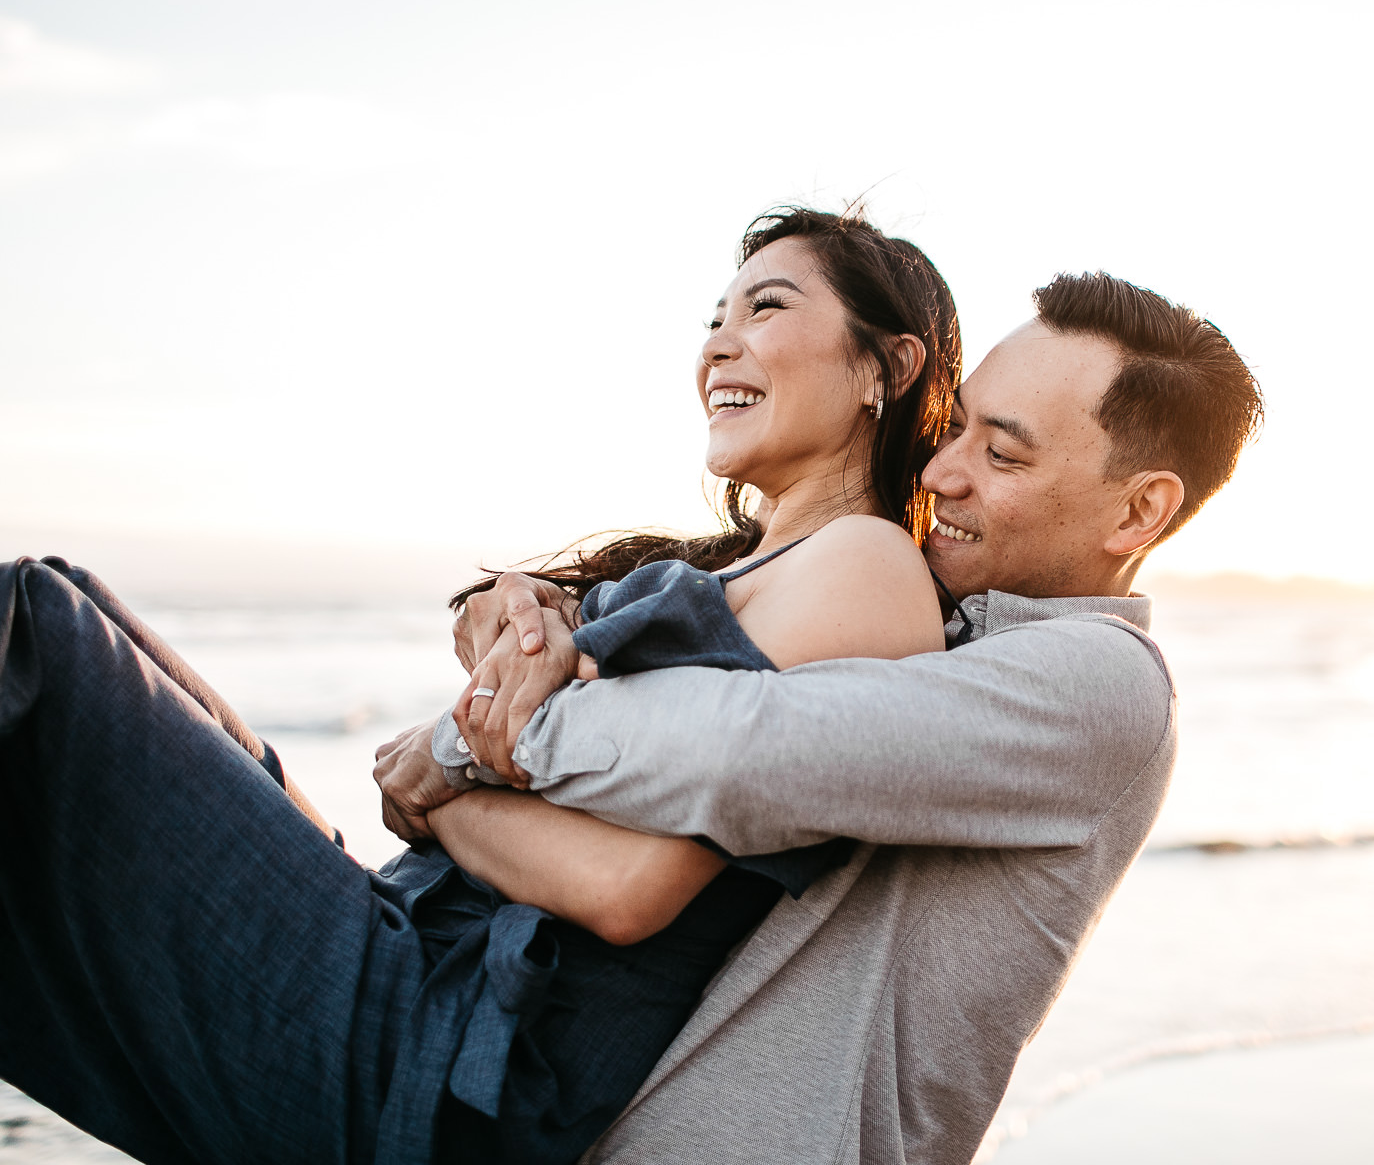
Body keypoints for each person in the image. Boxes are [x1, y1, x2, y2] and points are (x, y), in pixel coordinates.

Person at [0, 205, 965, 1165]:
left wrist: (439, 780)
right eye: (714, 318)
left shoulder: (864, 563)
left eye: (765, 308)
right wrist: (524, 624)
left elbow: (629, 887)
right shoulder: (751, 567)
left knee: (35, 634)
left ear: (888, 366)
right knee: (70, 615)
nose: (718, 344)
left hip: (448, 1053)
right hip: (410, 950)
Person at [384, 271, 1264, 1163]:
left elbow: (746, 748)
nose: (939, 471)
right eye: (955, 427)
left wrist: (465, 740)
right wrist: (548, 614)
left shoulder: (1101, 686)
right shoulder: (948, 626)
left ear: (1140, 509)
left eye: (1001, 456)